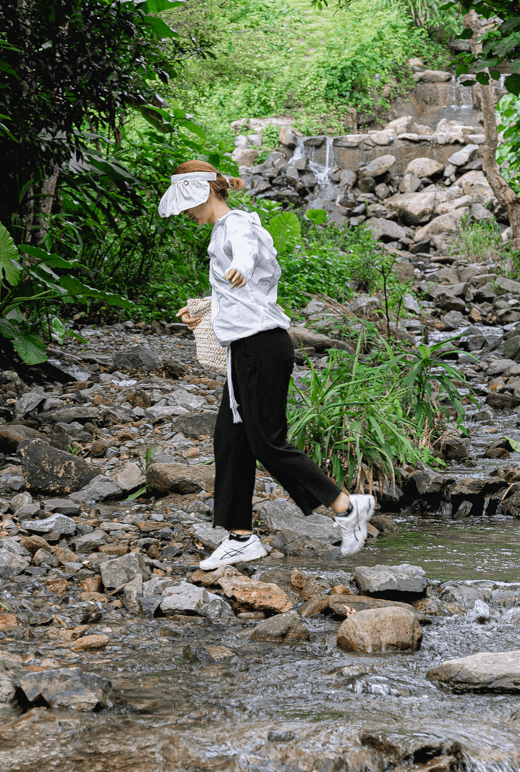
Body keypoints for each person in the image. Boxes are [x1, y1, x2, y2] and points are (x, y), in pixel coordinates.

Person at [158, 159, 375, 568]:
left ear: (203, 193)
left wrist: (238, 264)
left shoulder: (237, 224)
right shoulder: (224, 228)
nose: (188, 215)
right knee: (231, 437)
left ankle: (346, 506)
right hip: (249, 346)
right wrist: (204, 309)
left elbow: (246, 252)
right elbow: (244, 294)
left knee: (267, 441)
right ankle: (240, 536)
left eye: (188, 206)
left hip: (261, 347)